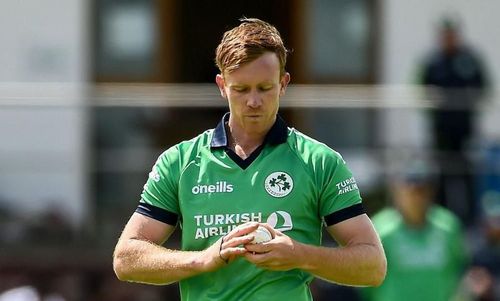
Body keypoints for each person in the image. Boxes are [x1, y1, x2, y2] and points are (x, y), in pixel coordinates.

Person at [112, 18, 386, 301]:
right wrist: (203, 259)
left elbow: (372, 266)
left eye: (264, 88)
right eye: (241, 89)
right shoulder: (180, 162)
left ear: (283, 83)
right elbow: (126, 259)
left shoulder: (319, 162)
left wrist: (299, 254)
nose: (253, 101)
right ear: (222, 85)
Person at [363, 159, 468, 301]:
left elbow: (458, 268)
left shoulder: (448, 226)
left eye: (422, 190)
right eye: (410, 189)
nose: (416, 197)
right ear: (397, 191)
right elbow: (365, 281)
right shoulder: (380, 230)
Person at [421, 17, 488, 223]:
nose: (448, 38)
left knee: (467, 173)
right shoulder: (433, 62)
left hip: (464, 129)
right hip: (442, 130)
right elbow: (423, 91)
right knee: (441, 175)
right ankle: (442, 219)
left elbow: (483, 87)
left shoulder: (469, 60)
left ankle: (470, 220)